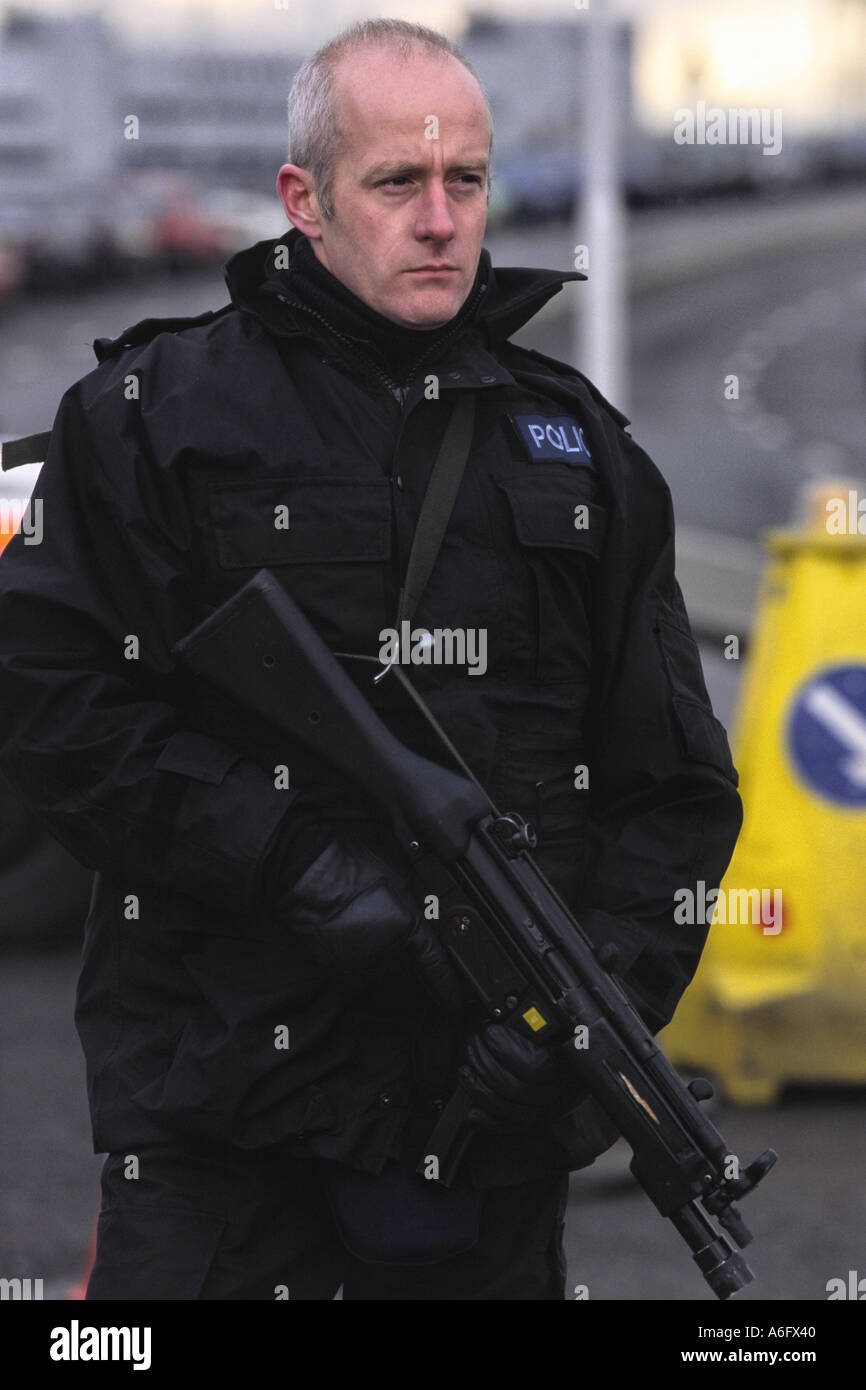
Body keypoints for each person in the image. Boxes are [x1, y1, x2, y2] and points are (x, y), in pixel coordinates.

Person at [0, 19, 742, 1300]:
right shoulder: (153, 418)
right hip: (219, 1119)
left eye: (466, 180)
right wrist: (291, 856)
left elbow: (672, 793)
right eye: (398, 181)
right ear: (305, 199)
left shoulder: (580, 454)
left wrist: (574, 1014)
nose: (441, 220)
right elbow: (55, 708)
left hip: (476, 1132)